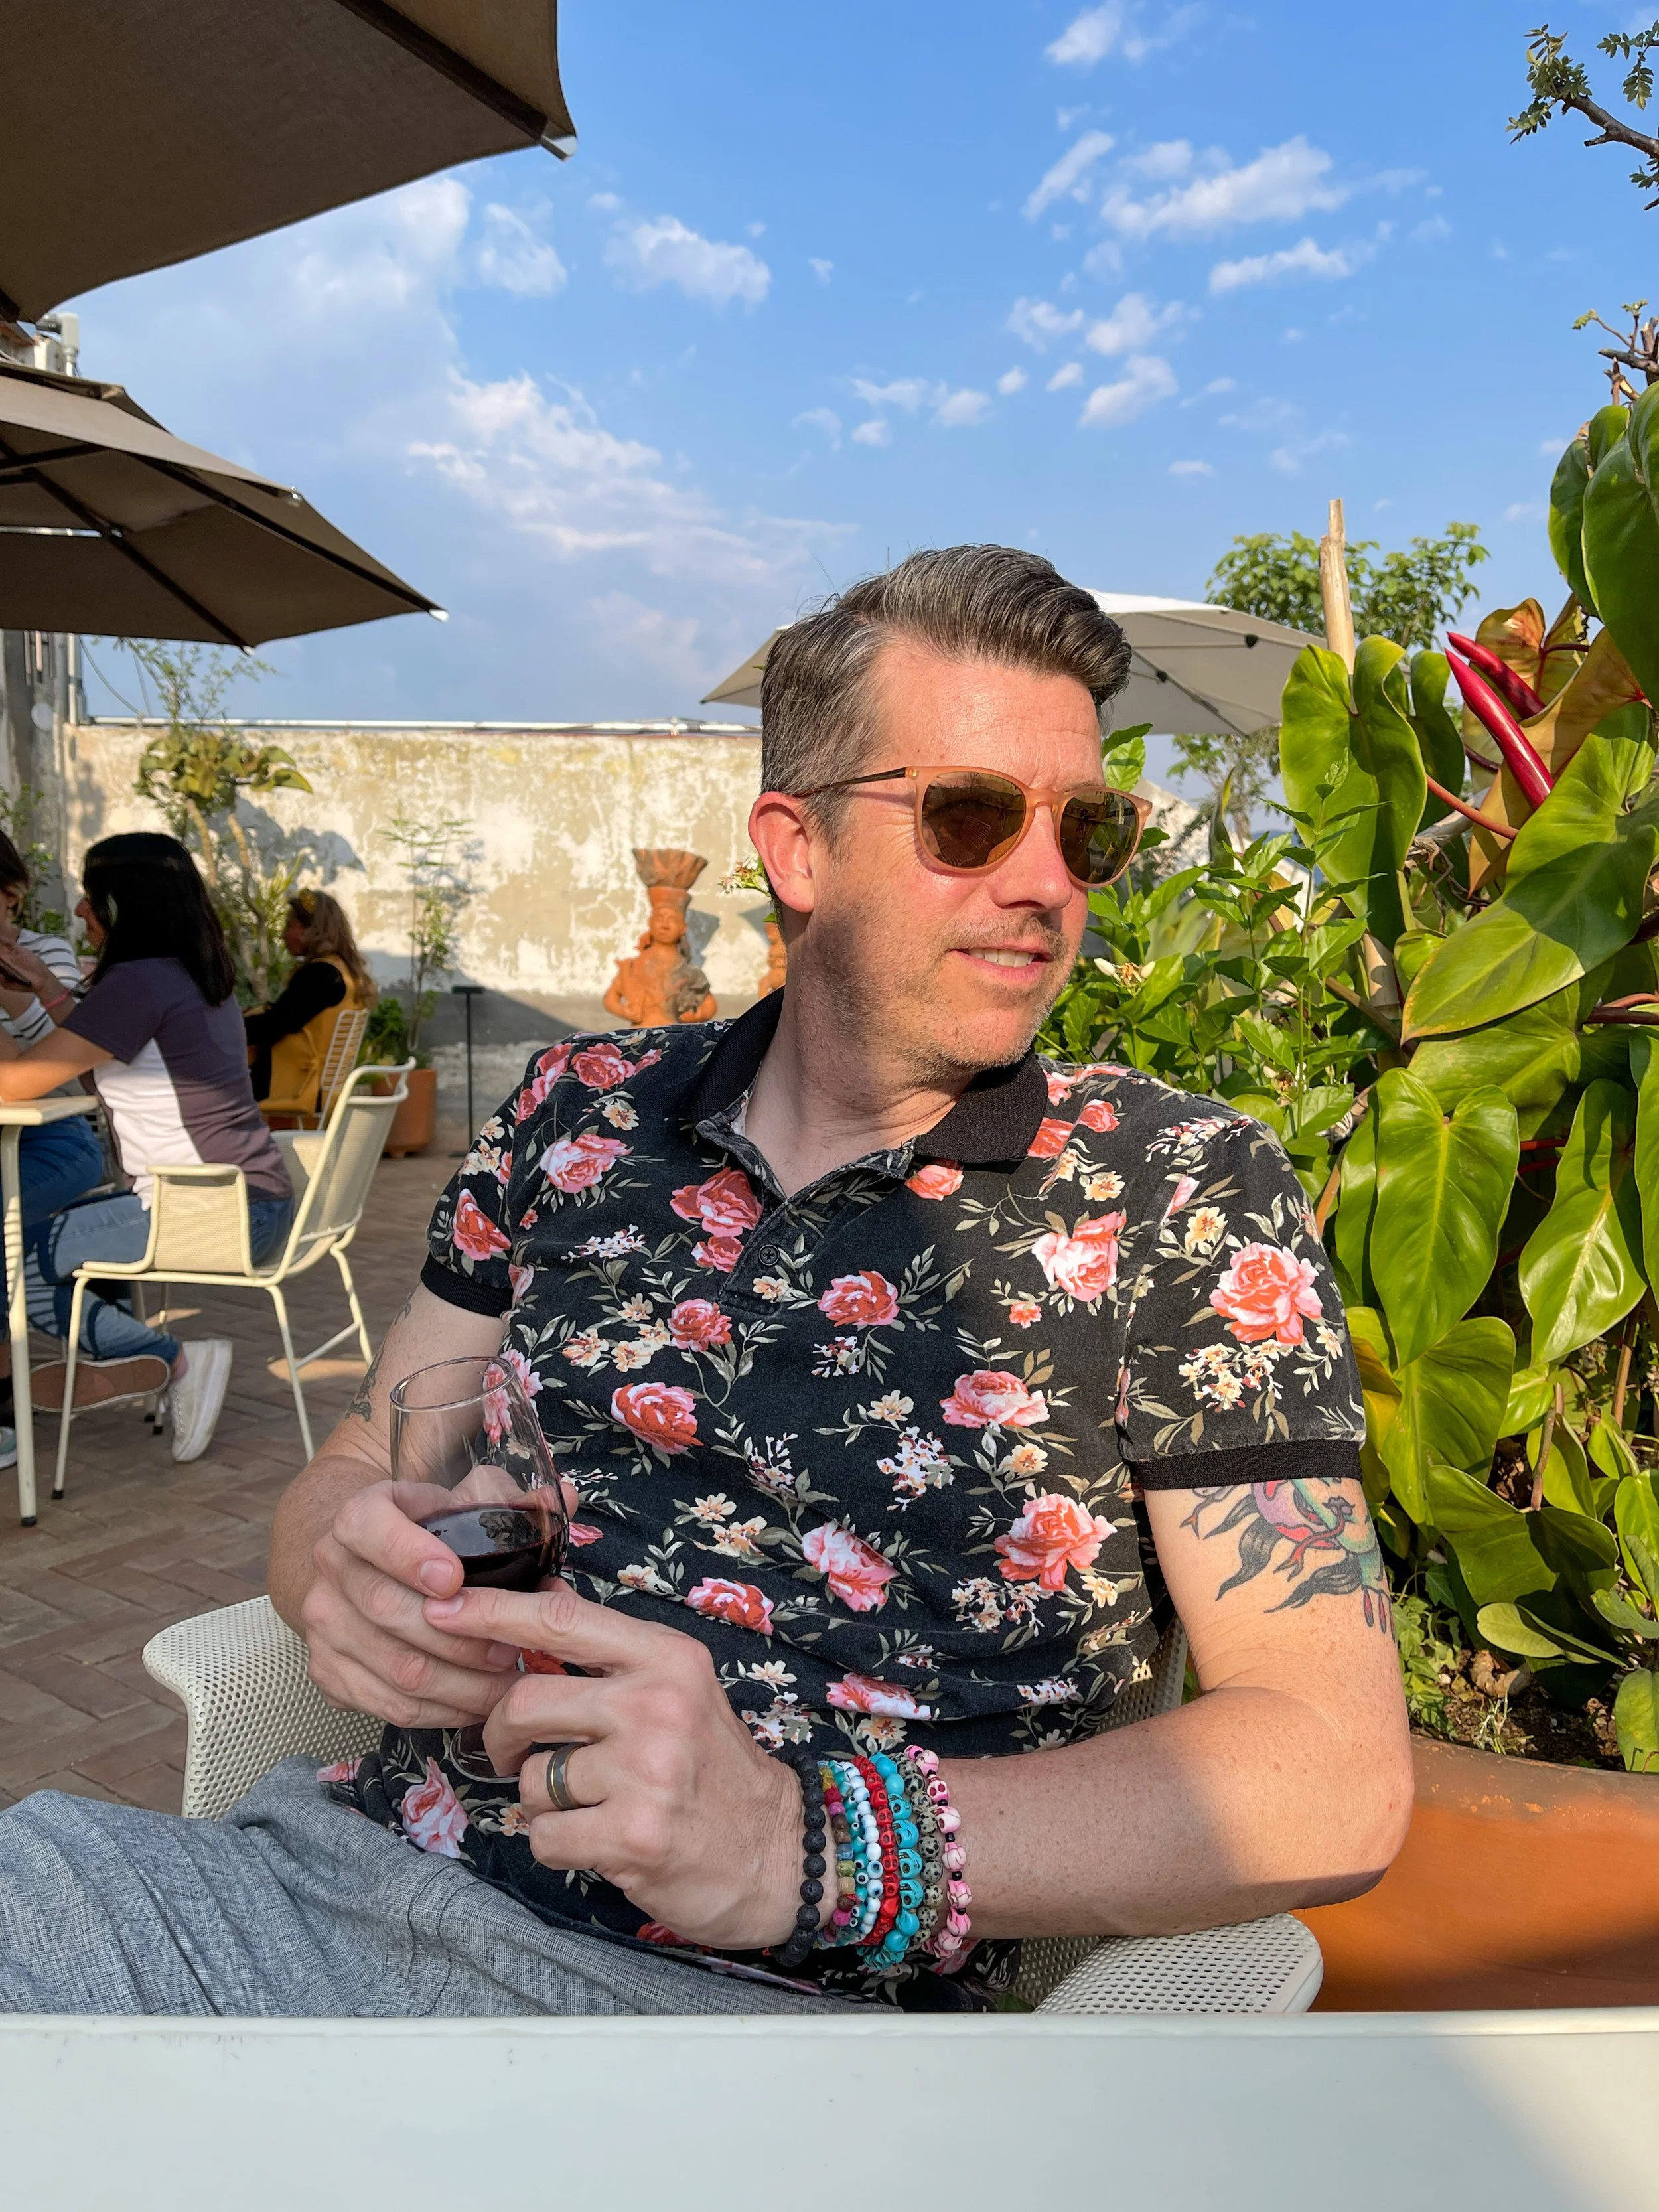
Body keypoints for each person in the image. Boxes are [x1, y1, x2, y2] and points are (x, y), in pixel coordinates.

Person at [0, 547, 1411, 2017]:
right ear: (794, 849)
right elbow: (375, 1449)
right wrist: (327, 1565)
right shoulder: (575, 1108)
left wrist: (806, 1845)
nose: (1046, 881)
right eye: (973, 817)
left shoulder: (1173, 1187)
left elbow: (1330, 1765)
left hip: (754, 2019)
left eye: (1088, 829)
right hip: (305, 1891)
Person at [0, 832, 295, 1464]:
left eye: (89, 896)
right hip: (252, 1202)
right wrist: (46, 983)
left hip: (207, 1213)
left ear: (119, 903)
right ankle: (131, 1352)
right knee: (46, 1235)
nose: (79, 911)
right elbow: (89, 1064)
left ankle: (173, 1360)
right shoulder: (185, 972)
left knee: (15, 1258)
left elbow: (17, 1079)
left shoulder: (137, 982)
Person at [0, 831, 108, 1470]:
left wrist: (23, 982)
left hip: (56, 1138)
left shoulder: (47, 955)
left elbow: (64, 1062)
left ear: (10, 897)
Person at [246, 889, 376, 1112]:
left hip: (295, 1090)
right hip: (320, 1091)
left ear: (313, 930)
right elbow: (290, 1016)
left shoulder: (320, 975)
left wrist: (225, 1025)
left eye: (289, 926)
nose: (282, 935)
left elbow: (274, 1026)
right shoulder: (344, 972)